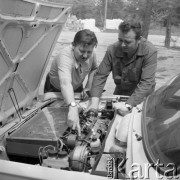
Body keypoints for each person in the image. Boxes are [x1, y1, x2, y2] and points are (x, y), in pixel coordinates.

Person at [88, 18, 157, 154]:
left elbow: (147, 83)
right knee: (112, 126)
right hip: (121, 92)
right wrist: (94, 102)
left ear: (139, 39)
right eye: (120, 40)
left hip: (142, 97)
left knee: (135, 134)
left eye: (128, 41)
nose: (122, 44)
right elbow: (100, 75)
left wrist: (129, 105)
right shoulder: (112, 49)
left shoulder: (150, 51)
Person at [44, 29, 98, 136]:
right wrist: (72, 106)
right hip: (56, 88)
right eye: (82, 51)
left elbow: (94, 69)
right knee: (57, 121)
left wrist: (88, 87)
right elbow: (65, 83)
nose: (86, 55)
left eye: (89, 52)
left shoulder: (91, 52)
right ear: (73, 45)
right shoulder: (64, 56)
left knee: (79, 114)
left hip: (77, 85)